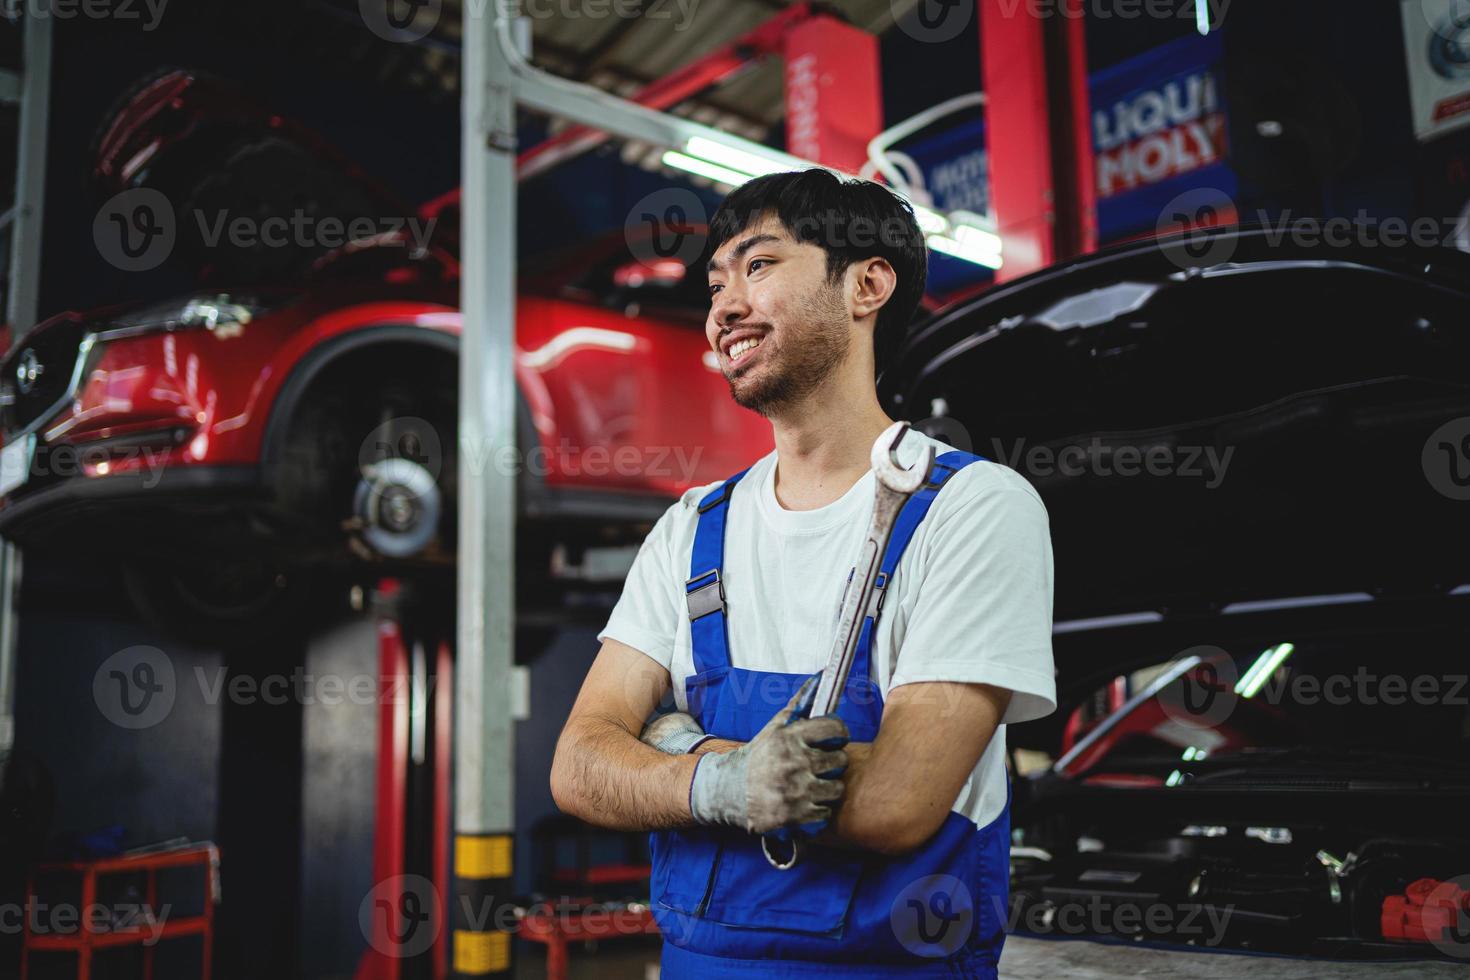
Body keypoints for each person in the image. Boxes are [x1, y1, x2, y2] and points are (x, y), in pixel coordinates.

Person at [550, 168, 1056, 978]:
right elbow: (577, 765)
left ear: (867, 284)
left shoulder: (973, 509)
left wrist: (672, 743)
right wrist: (723, 783)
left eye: (758, 266)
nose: (723, 307)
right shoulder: (690, 531)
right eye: (716, 282)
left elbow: (896, 802)